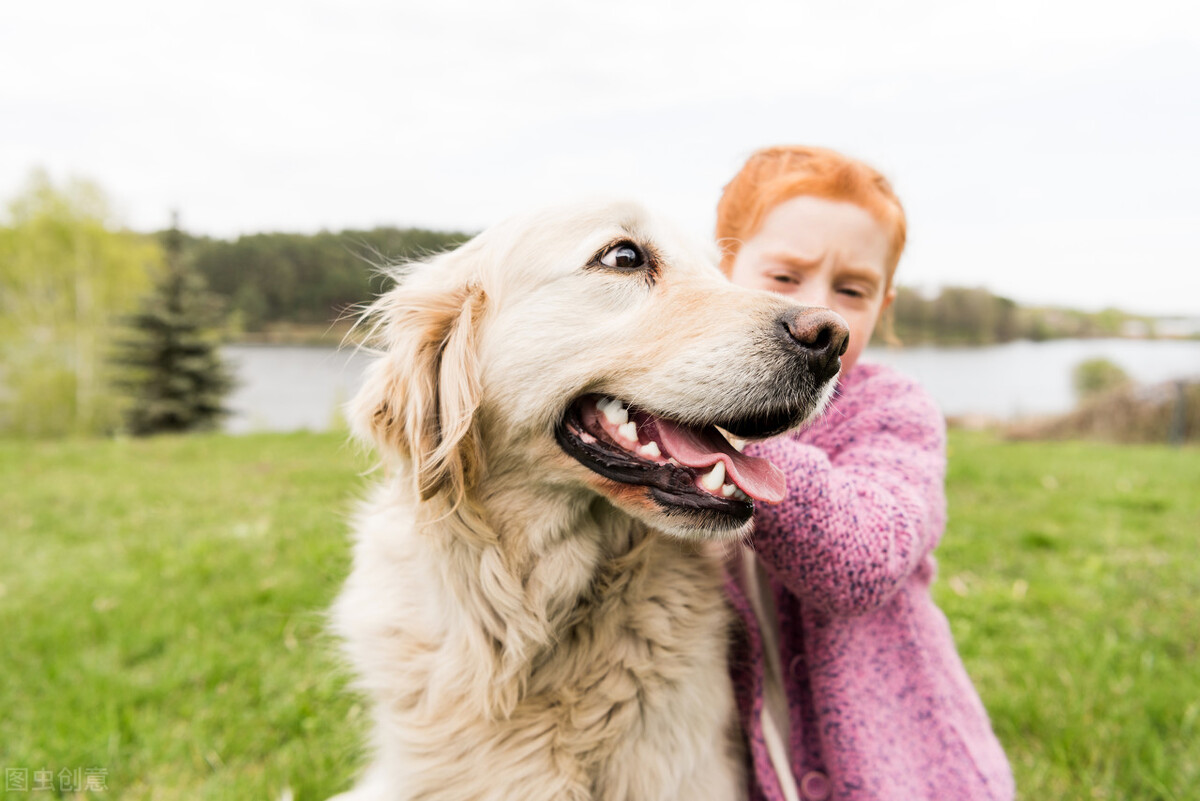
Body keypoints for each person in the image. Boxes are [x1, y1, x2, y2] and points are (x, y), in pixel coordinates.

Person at [716, 146, 1015, 801]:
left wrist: (734, 439)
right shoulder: (672, 419)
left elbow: (862, 561)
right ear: (721, 270)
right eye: (784, 277)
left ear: (884, 305)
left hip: (908, 774)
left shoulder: (892, 410)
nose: (818, 308)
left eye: (852, 289)